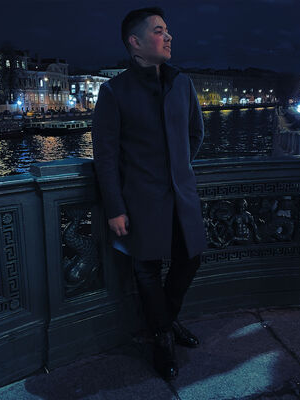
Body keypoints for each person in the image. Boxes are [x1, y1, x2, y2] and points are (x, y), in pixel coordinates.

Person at [92, 7, 207, 381]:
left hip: (181, 195)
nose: (168, 36)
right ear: (135, 42)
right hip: (140, 200)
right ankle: (163, 338)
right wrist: (115, 208)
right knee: (147, 269)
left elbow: (196, 133)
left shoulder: (182, 83)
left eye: (168, 30)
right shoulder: (114, 91)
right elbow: (105, 156)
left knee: (191, 258)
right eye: (159, 31)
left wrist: (177, 169)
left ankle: (164, 323)